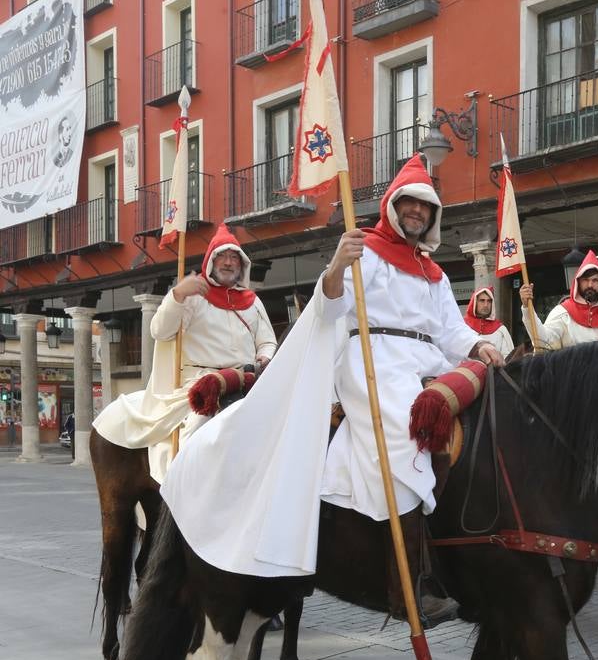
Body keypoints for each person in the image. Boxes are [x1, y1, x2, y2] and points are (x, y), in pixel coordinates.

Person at [160, 156, 504, 626]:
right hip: (373, 362)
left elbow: (452, 334)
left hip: (428, 363)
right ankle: (406, 587)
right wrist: (339, 265)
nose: (416, 213)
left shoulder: (436, 275)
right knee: (407, 438)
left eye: (425, 207)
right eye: (409, 203)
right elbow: (331, 306)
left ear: (433, 216)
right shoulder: (367, 251)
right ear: (392, 205)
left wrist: (480, 344)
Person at [93, 223, 277, 483]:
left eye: (233, 257)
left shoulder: (252, 301)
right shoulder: (193, 296)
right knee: (199, 427)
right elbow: (161, 331)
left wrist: (264, 357)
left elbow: (267, 341)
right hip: (201, 379)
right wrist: (177, 295)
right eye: (222, 256)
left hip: (246, 378)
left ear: (242, 265)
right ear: (211, 261)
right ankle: (183, 485)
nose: (227, 262)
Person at [518, 251, 598, 350]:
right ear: (578, 282)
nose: (590, 285)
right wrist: (527, 307)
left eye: (595, 280)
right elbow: (543, 342)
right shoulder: (563, 313)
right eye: (585, 280)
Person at [463, 286, 514, 358]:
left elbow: (508, 358)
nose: (486, 305)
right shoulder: (462, 327)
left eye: (489, 301)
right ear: (474, 302)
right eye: (482, 300)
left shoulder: (500, 330)